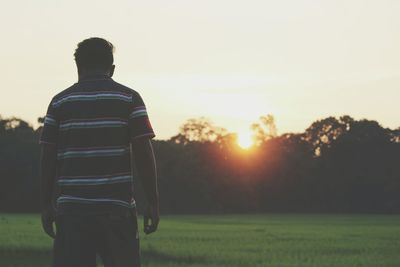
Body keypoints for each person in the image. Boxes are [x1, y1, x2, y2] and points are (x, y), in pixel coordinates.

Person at [39, 37, 159, 267]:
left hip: (72, 213)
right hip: (117, 210)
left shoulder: (59, 102)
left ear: (78, 67)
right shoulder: (129, 98)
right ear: (112, 69)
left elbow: (47, 158)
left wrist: (46, 204)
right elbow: (144, 153)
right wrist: (153, 202)